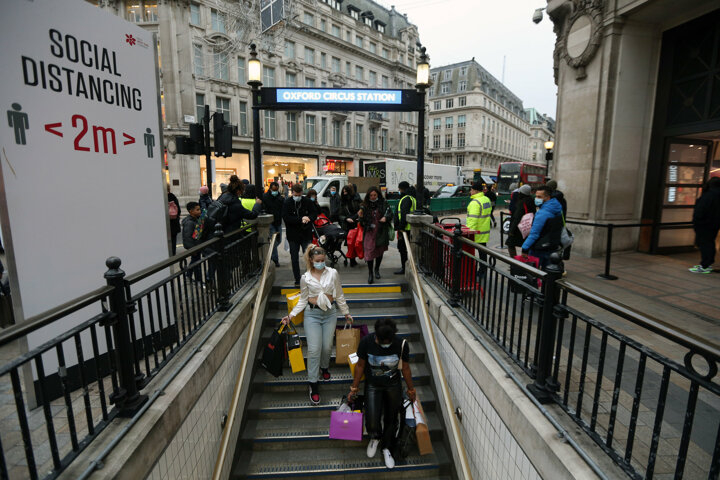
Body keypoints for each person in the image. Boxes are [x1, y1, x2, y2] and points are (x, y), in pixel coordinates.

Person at [282, 246, 353, 405]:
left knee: (327, 346)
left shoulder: (333, 273)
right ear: (311, 261)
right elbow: (302, 299)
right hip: (312, 314)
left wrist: (346, 312)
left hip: (330, 313)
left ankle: (325, 367)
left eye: (323, 260)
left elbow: (339, 294)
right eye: (318, 261)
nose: (321, 263)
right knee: (314, 349)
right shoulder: (305, 278)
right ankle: (313, 383)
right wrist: (291, 315)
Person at [348, 318, 415, 470]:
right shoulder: (366, 342)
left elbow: (405, 368)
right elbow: (360, 365)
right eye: (380, 340)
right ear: (376, 335)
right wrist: (354, 387)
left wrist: (411, 390)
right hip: (373, 385)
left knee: (391, 418)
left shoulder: (401, 344)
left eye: (387, 341)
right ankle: (375, 437)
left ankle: (386, 447)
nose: (384, 343)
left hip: (393, 386)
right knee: (372, 418)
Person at [283, 184, 317, 286]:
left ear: (302, 193)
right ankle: (297, 279)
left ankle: (310, 277)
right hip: (293, 235)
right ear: (292, 192)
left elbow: (314, 213)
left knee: (309, 257)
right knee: (294, 258)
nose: (297, 196)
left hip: (305, 233)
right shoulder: (287, 203)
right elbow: (286, 218)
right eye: (295, 194)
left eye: (299, 194)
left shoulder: (307, 202)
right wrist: (300, 219)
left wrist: (309, 218)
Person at [522, 186, 563, 269]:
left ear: (547, 197)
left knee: (532, 272)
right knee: (547, 272)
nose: (536, 199)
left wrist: (525, 248)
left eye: (539, 197)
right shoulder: (556, 207)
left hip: (539, 248)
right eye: (536, 196)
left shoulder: (543, 213)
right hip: (552, 245)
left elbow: (534, 234)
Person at [358, 186, 392, 284]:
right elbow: (361, 222)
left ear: (378, 195)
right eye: (371, 195)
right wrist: (360, 218)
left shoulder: (384, 203)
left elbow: (390, 214)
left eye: (375, 195)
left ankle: (376, 269)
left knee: (379, 251)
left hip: (380, 231)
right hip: (369, 231)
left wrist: (386, 218)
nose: (373, 197)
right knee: (369, 252)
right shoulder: (364, 206)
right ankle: (370, 273)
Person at [690, 176, 720, 273]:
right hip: (714, 224)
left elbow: (700, 211)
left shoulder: (708, 196)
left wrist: (697, 221)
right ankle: (707, 264)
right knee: (709, 243)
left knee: (705, 244)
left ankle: (705, 266)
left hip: (704, 224)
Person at [466, 182, 492, 278]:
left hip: (476, 233)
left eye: (471, 190)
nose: (470, 191)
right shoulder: (486, 199)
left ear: (476, 191)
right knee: (482, 254)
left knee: (470, 253)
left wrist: (468, 233)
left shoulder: (475, 202)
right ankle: (483, 271)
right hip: (484, 231)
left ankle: (473, 272)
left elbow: (473, 219)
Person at [505, 184, 535, 258]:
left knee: (510, 244)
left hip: (519, 228)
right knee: (525, 245)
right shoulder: (531, 200)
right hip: (528, 226)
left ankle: (515, 262)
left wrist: (511, 230)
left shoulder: (521, 202)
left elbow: (517, 217)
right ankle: (524, 261)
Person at [394, 181, 416, 275]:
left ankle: (404, 268)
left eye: (399, 188)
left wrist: (400, 227)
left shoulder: (405, 199)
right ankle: (407, 266)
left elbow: (403, 214)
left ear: (402, 188)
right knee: (406, 249)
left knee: (402, 249)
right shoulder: (412, 198)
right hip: (409, 228)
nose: (398, 190)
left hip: (405, 229)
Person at [263, 182, 284, 267]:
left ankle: (271, 252)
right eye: (273, 189)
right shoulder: (265, 197)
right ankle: (275, 259)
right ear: (270, 189)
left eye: (276, 189)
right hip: (270, 222)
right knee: (274, 240)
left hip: (278, 221)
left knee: (278, 240)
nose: (275, 191)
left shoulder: (280, 198)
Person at [181, 202, 204, 281]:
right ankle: (198, 280)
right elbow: (187, 237)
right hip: (194, 247)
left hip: (197, 246)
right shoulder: (189, 223)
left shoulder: (196, 219)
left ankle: (188, 275)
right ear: (191, 211)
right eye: (197, 210)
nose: (199, 211)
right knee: (196, 263)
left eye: (199, 209)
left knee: (195, 261)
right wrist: (192, 249)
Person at [339, 185, 361, 267]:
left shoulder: (355, 200)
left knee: (356, 241)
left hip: (356, 222)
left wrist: (357, 217)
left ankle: (355, 258)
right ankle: (352, 259)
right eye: (343, 192)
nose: (344, 193)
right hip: (347, 224)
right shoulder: (342, 202)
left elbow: (361, 209)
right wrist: (346, 219)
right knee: (350, 242)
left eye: (346, 191)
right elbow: (340, 214)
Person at [167, 184, 181, 256]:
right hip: (174, 221)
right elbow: (178, 209)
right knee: (173, 238)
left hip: (166, 221)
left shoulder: (162, 197)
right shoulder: (172, 196)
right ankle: (173, 252)